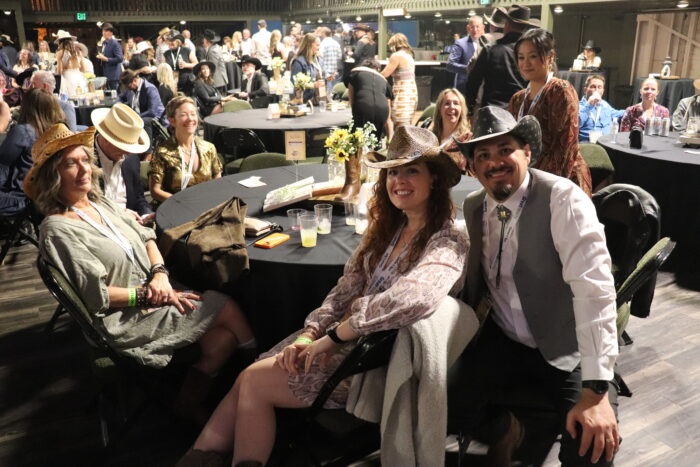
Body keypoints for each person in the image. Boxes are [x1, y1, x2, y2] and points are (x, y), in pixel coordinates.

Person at [177, 125, 467, 467]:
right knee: (247, 377)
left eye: (412, 171)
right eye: (393, 172)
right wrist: (311, 332)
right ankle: (197, 459)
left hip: (372, 365)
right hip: (340, 342)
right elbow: (344, 288)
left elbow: (414, 297)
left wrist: (333, 337)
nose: (399, 180)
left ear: (434, 178)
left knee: (253, 382)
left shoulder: (447, 238)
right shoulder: (390, 228)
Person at [26, 123, 255, 421]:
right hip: (124, 318)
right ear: (52, 175)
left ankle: (186, 406)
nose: (83, 169)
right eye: (70, 163)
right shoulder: (58, 229)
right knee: (227, 305)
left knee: (222, 339)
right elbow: (98, 296)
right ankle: (257, 385)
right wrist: (152, 295)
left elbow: (144, 234)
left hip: (156, 290)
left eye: (85, 159)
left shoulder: (98, 201)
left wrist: (160, 273)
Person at [452, 105, 620, 467]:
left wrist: (595, 391)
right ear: (473, 166)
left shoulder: (563, 199)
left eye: (504, 150)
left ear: (527, 151)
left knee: (591, 448)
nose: (494, 162)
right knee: (435, 397)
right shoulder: (473, 206)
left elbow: (596, 293)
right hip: (502, 342)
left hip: (566, 348)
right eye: (483, 155)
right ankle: (508, 431)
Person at [509, 28, 592, 196]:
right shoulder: (518, 99)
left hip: (561, 182)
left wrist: (542, 188)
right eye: (521, 57)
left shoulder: (560, 91)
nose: (526, 63)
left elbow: (565, 148)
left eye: (533, 56)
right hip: (526, 180)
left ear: (550, 57)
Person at [0, 88, 64, 215]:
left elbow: (2, 165)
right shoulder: (58, 132)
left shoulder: (23, 132)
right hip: (42, 197)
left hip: (17, 199)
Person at [465, 5, 538, 113]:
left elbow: (473, 82)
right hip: (519, 114)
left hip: (492, 114)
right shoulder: (532, 54)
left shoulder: (490, 50)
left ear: (507, 24)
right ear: (524, 28)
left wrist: (470, 109)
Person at [149, 96, 222, 204]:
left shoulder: (208, 148)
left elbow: (217, 176)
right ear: (172, 121)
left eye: (193, 114)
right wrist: (180, 203)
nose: (190, 119)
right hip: (177, 209)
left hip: (207, 206)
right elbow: (155, 190)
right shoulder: (162, 152)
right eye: (183, 115)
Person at [91, 103, 154, 222]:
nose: (128, 152)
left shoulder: (131, 158)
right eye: (123, 147)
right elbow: (83, 207)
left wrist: (146, 214)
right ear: (106, 138)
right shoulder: (84, 160)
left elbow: (138, 197)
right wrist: (119, 215)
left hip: (131, 225)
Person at [344, 58, 393, 140]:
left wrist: (356, 114)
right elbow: (388, 118)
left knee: (359, 140)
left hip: (363, 106)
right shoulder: (384, 81)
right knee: (375, 140)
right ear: (378, 69)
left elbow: (351, 101)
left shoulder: (355, 73)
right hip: (383, 110)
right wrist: (389, 139)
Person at [430, 88, 472, 172]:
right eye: (447, 103)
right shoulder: (430, 137)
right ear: (439, 109)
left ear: (461, 110)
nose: (452, 107)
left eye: (456, 103)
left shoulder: (468, 140)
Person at [381, 33, 417, 130]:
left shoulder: (396, 56)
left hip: (402, 93)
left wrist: (372, 74)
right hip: (411, 92)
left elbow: (384, 74)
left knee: (400, 124)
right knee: (406, 123)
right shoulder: (409, 55)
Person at [447, 15, 486, 97]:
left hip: (483, 89)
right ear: (468, 28)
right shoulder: (460, 43)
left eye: (478, 27)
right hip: (464, 89)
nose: (475, 30)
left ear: (483, 27)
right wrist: (468, 69)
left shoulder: (488, 43)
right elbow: (450, 65)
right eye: (472, 27)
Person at [578, 75, 625, 142]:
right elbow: (576, 124)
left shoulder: (604, 105)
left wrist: (637, 108)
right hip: (587, 146)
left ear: (603, 91)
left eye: (599, 87)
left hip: (606, 144)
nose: (596, 90)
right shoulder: (578, 106)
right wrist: (589, 105)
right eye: (593, 87)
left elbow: (617, 113)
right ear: (585, 90)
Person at [291, 33, 325, 102]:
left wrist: (327, 78)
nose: (319, 48)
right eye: (317, 45)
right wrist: (312, 85)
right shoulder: (299, 61)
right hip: (305, 100)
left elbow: (319, 76)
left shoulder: (318, 59)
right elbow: (295, 81)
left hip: (319, 99)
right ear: (309, 45)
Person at [55, 30, 87, 97]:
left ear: (60, 42)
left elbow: (60, 71)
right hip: (79, 77)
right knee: (80, 96)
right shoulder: (78, 52)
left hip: (67, 77)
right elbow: (83, 69)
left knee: (70, 98)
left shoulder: (60, 53)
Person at [96, 23, 124, 91]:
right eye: (103, 31)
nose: (103, 33)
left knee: (115, 95)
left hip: (114, 76)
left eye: (105, 31)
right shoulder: (104, 43)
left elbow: (120, 58)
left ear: (111, 32)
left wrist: (106, 59)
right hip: (106, 74)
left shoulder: (115, 43)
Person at [319, 26, 342, 97]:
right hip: (334, 71)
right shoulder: (336, 43)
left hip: (325, 71)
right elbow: (339, 56)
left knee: (326, 93)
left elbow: (320, 57)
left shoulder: (323, 43)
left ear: (323, 33)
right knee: (334, 92)